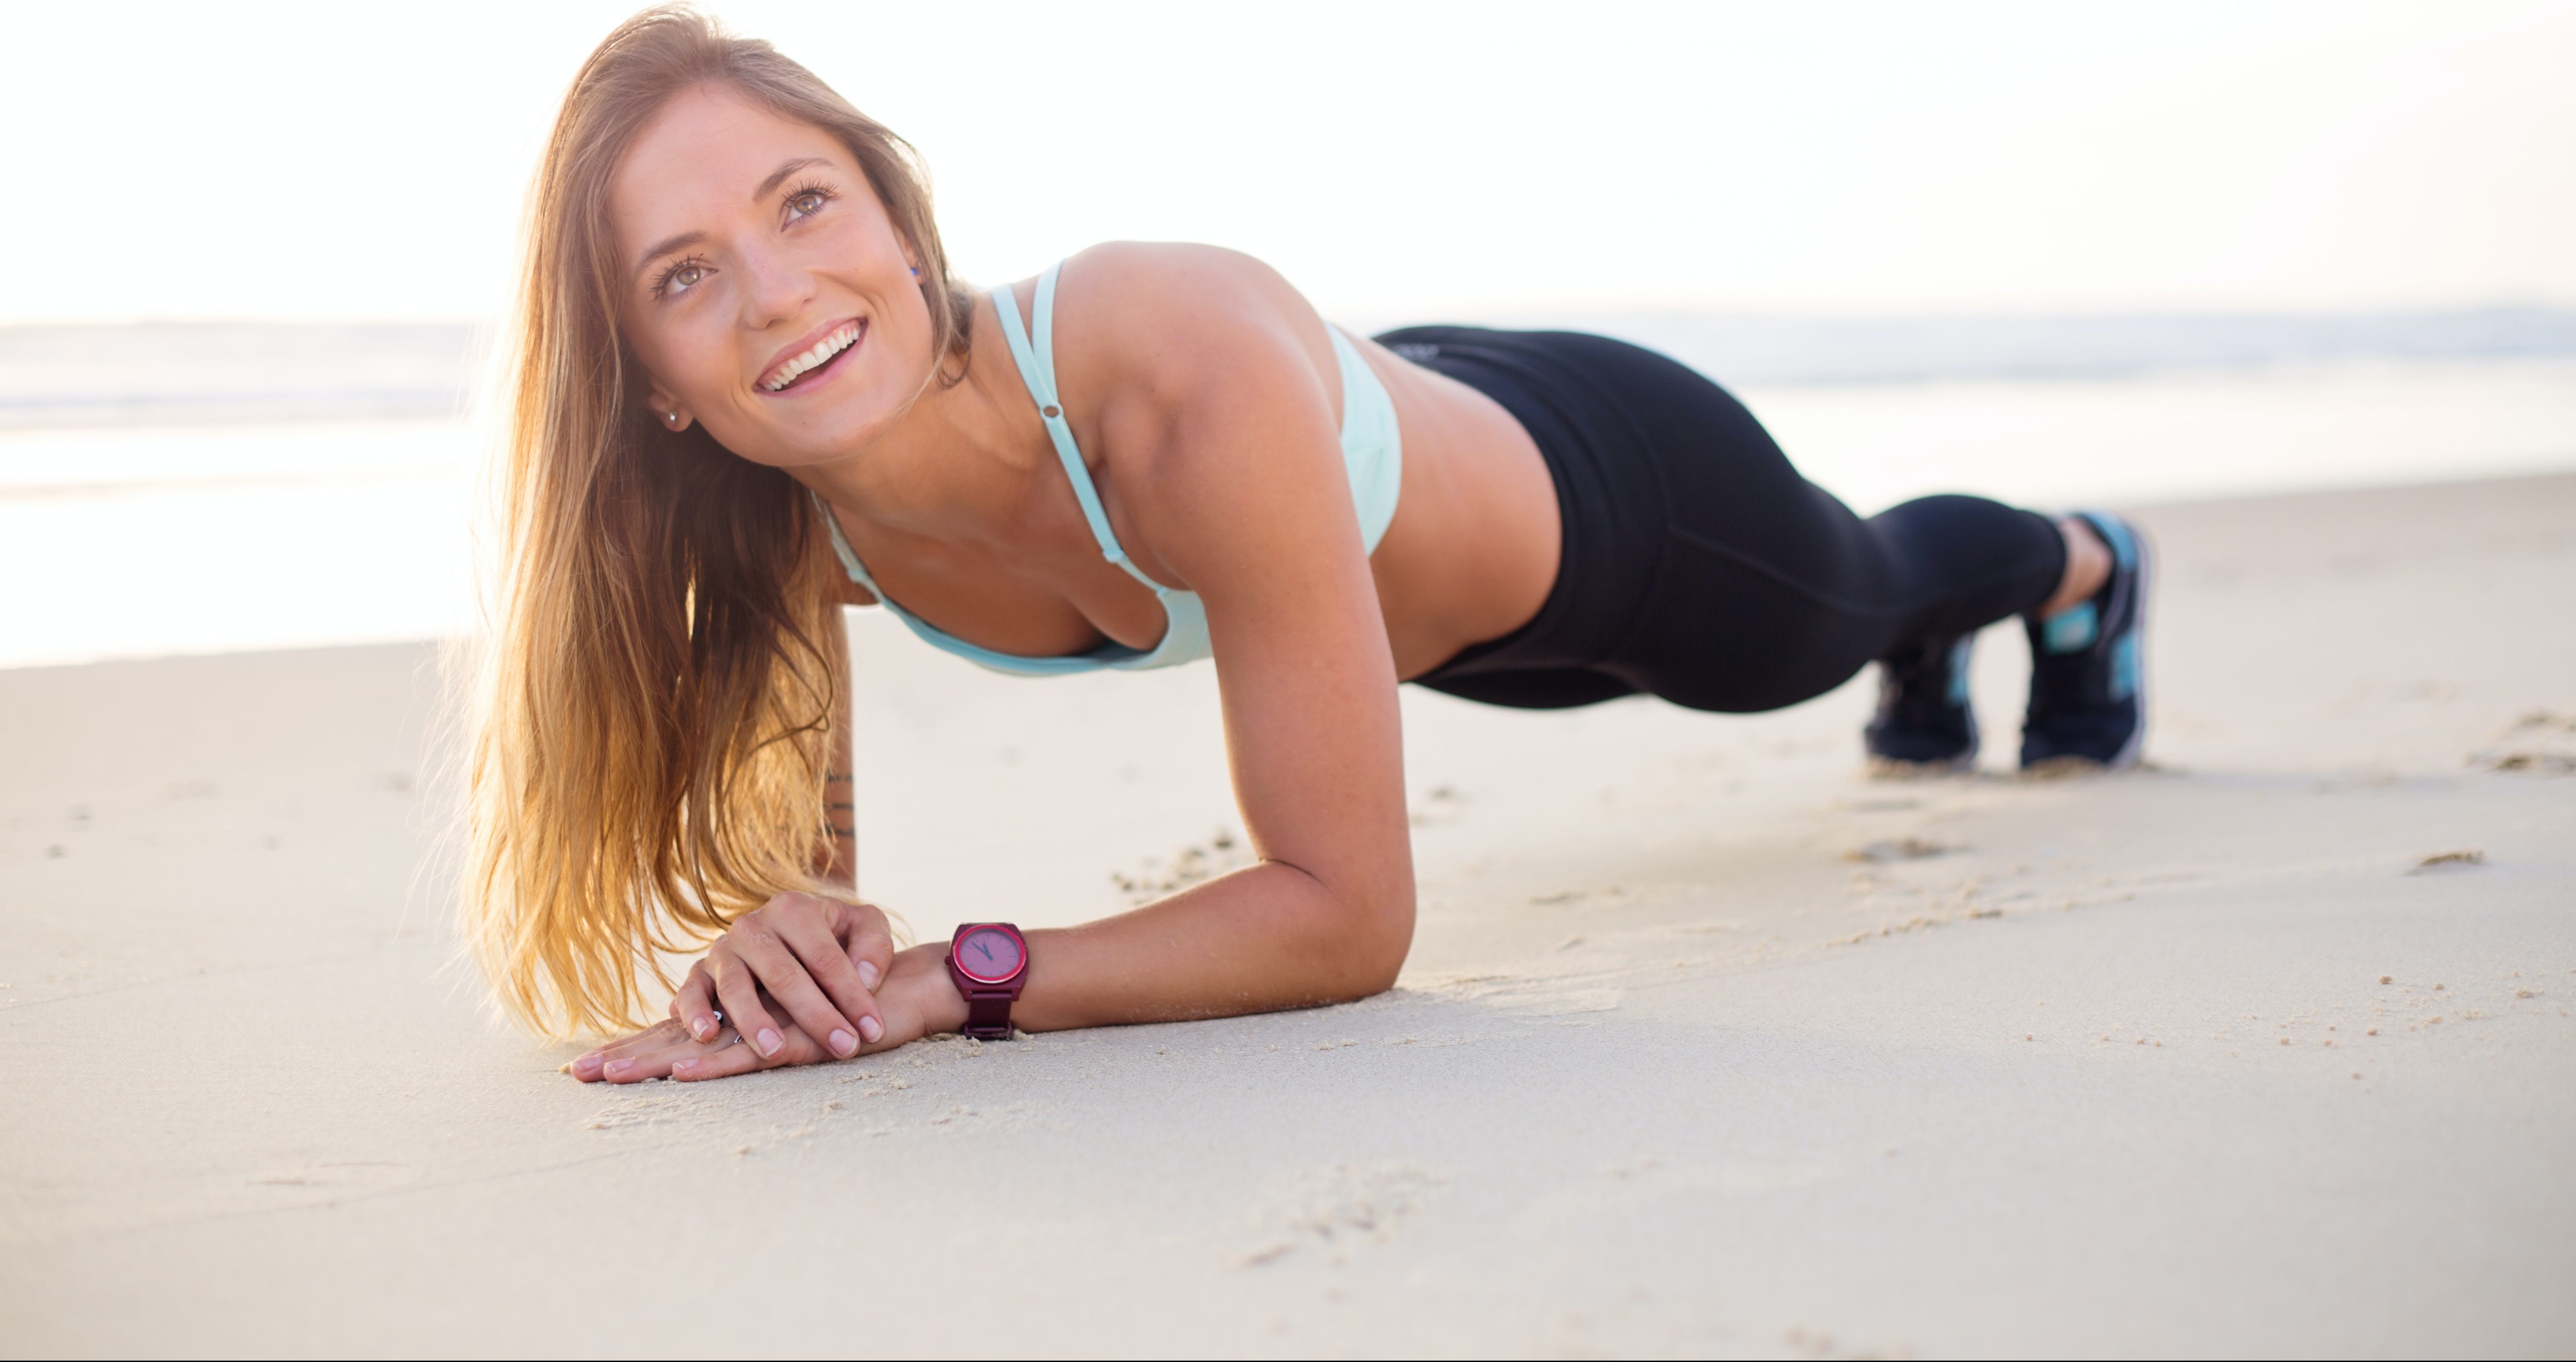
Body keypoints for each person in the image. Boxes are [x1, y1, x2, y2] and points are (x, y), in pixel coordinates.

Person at [473, 7, 2148, 1084]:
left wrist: (955, 981)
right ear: (654, 382)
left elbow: (1348, 921)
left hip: (1614, 500)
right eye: (684, 276)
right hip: (1405, 594)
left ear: (900, 222)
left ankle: (2081, 567)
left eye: (802, 203)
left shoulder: (1166, 364)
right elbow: (811, 842)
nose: (774, 293)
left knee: (1842, 608)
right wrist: (796, 924)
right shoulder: (782, 518)